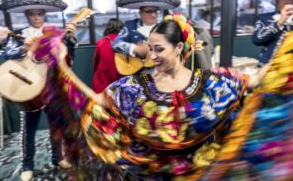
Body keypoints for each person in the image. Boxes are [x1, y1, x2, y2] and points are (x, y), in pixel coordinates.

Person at [54, 13, 279, 180]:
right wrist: (64, 69)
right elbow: (98, 100)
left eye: (159, 49)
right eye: (150, 49)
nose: (152, 56)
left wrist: (288, 50)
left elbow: (256, 79)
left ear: (178, 47)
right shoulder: (136, 86)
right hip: (149, 175)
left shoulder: (210, 83)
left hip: (200, 175)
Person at [0, 0, 77, 181]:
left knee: (56, 126)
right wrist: (23, 49)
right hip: (28, 86)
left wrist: (71, 40)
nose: (36, 17)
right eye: (32, 14)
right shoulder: (18, 34)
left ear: (44, 14)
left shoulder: (55, 34)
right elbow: (7, 55)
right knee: (28, 129)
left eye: (39, 13)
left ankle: (58, 158)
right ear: (27, 15)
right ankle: (27, 165)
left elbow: (68, 60)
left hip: (52, 85)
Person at [112, 0, 181, 64]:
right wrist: (134, 49)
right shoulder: (130, 25)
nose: (153, 15)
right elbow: (115, 45)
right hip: (138, 71)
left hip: (161, 70)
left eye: (156, 11)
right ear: (140, 13)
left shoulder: (164, 27)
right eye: (149, 11)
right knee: (144, 76)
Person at [251, 0, 293, 66]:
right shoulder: (265, 18)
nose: (289, 2)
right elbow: (256, 40)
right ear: (277, 1)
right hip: (268, 68)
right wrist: (280, 21)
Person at [92, 18, 124, 93]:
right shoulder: (127, 42)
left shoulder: (101, 42)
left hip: (102, 84)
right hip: (121, 84)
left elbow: (95, 64)